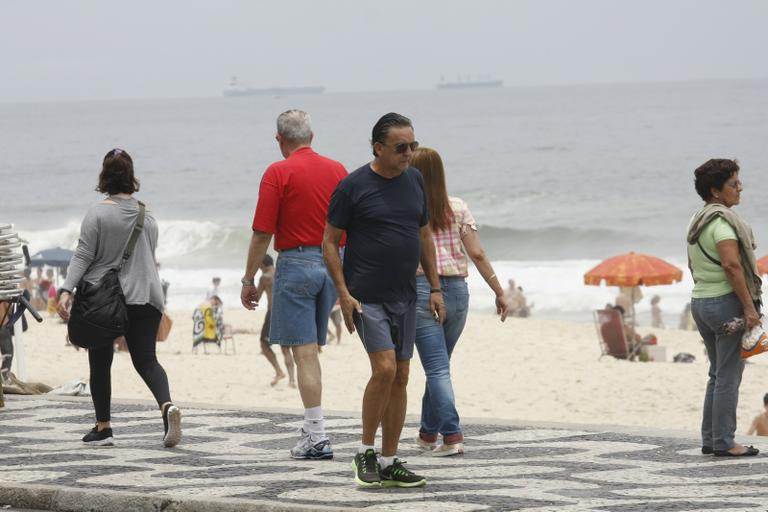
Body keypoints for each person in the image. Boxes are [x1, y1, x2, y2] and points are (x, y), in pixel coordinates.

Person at [324, 112, 444, 488]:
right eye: (401, 147)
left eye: (413, 145)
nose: (409, 153)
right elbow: (329, 242)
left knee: (403, 374)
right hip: (365, 298)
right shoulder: (353, 186)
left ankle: (390, 459)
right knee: (386, 369)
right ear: (378, 148)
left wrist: (436, 288)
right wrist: (343, 293)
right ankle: (364, 451)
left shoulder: (414, 181)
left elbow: (424, 235)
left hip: (405, 296)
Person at [57, 148, 181, 448]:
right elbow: (150, 258)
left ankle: (103, 428)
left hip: (106, 299)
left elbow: (84, 254)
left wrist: (66, 289)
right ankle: (167, 408)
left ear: (104, 177)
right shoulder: (146, 215)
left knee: (100, 361)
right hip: (147, 296)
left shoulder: (98, 213)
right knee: (147, 360)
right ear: (131, 176)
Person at [240, 110, 346, 460]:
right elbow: (350, 228)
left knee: (303, 353)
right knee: (313, 351)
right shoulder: (337, 170)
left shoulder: (278, 172)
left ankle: (316, 435)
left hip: (297, 263)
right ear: (312, 137)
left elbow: (262, 233)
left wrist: (249, 278)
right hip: (333, 265)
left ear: (279, 140)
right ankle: (312, 430)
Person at [410, 147, 509, 457]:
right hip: (458, 293)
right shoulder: (458, 207)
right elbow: (477, 253)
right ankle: (428, 434)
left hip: (425, 292)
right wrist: (498, 290)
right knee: (440, 366)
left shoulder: (409, 207)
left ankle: (452, 435)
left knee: (437, 369)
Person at [687, 158, 760, 457]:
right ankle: (725, 442)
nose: (740, 187)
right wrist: (749, 308)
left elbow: (692, 264)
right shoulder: (722, 224)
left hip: (701, 302)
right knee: (729, 374)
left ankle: (711, 438)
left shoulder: (698, 220)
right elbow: (732, 266)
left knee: (717, 373)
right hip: (724, 303)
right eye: (733, 183)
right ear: (716, 191)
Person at [254, 255, 296, 387]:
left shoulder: (264, 277)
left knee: (264, 344)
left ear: (262, 264)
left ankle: (279, 371)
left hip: (273, 313)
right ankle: (292, 380)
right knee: (285, 348)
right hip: (288, 313)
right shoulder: (283, 273)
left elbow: (257, 297)